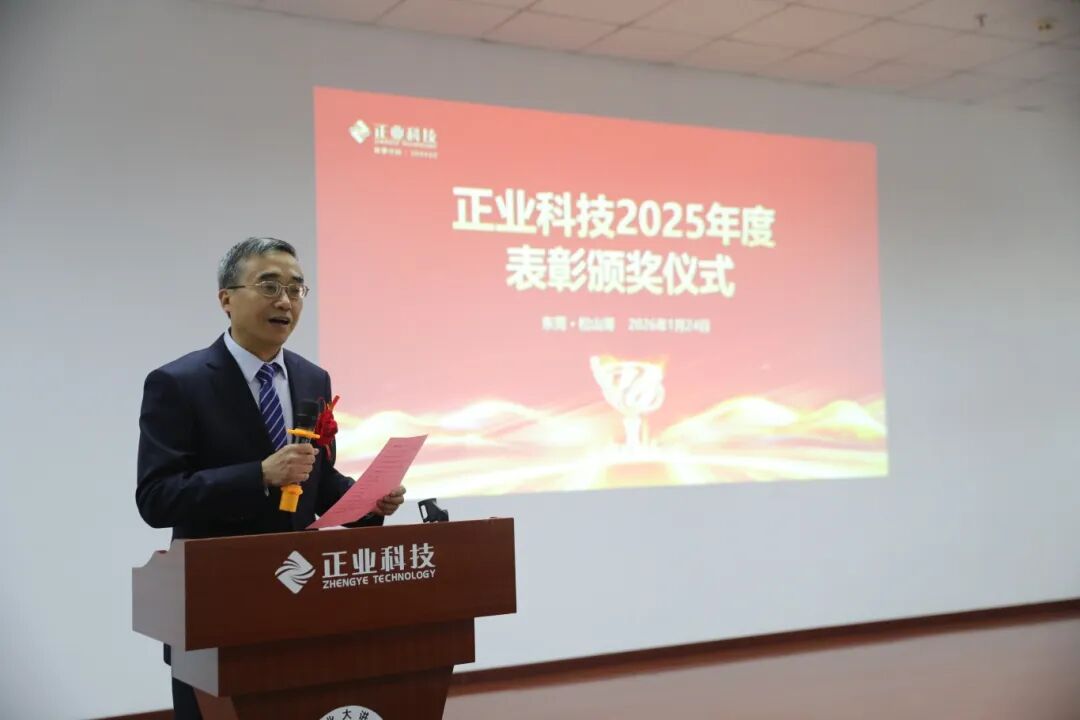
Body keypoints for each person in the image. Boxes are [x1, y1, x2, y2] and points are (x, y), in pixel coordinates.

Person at [136, 237, 405, 719]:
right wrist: (258, 474)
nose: (285, 300)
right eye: (269, 286)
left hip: (299, 599)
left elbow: (316, 479)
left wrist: (368, 500)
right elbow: (157, 497)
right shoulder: (179, 383)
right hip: (216, 606)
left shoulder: (312, 378)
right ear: (226, 298)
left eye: (296, 289)